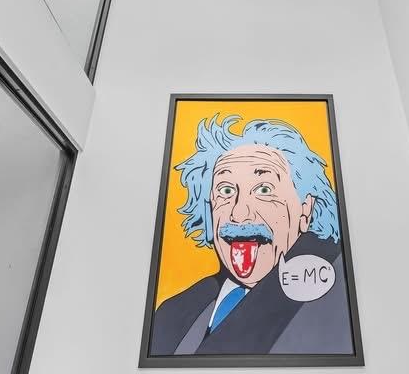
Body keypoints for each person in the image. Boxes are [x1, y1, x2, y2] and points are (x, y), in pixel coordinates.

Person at [149, 115, 353, 356]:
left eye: (264, 189)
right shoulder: (172, 312)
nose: (239, 213)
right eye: (226, 190)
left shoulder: (337, 295)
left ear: (305, 210)